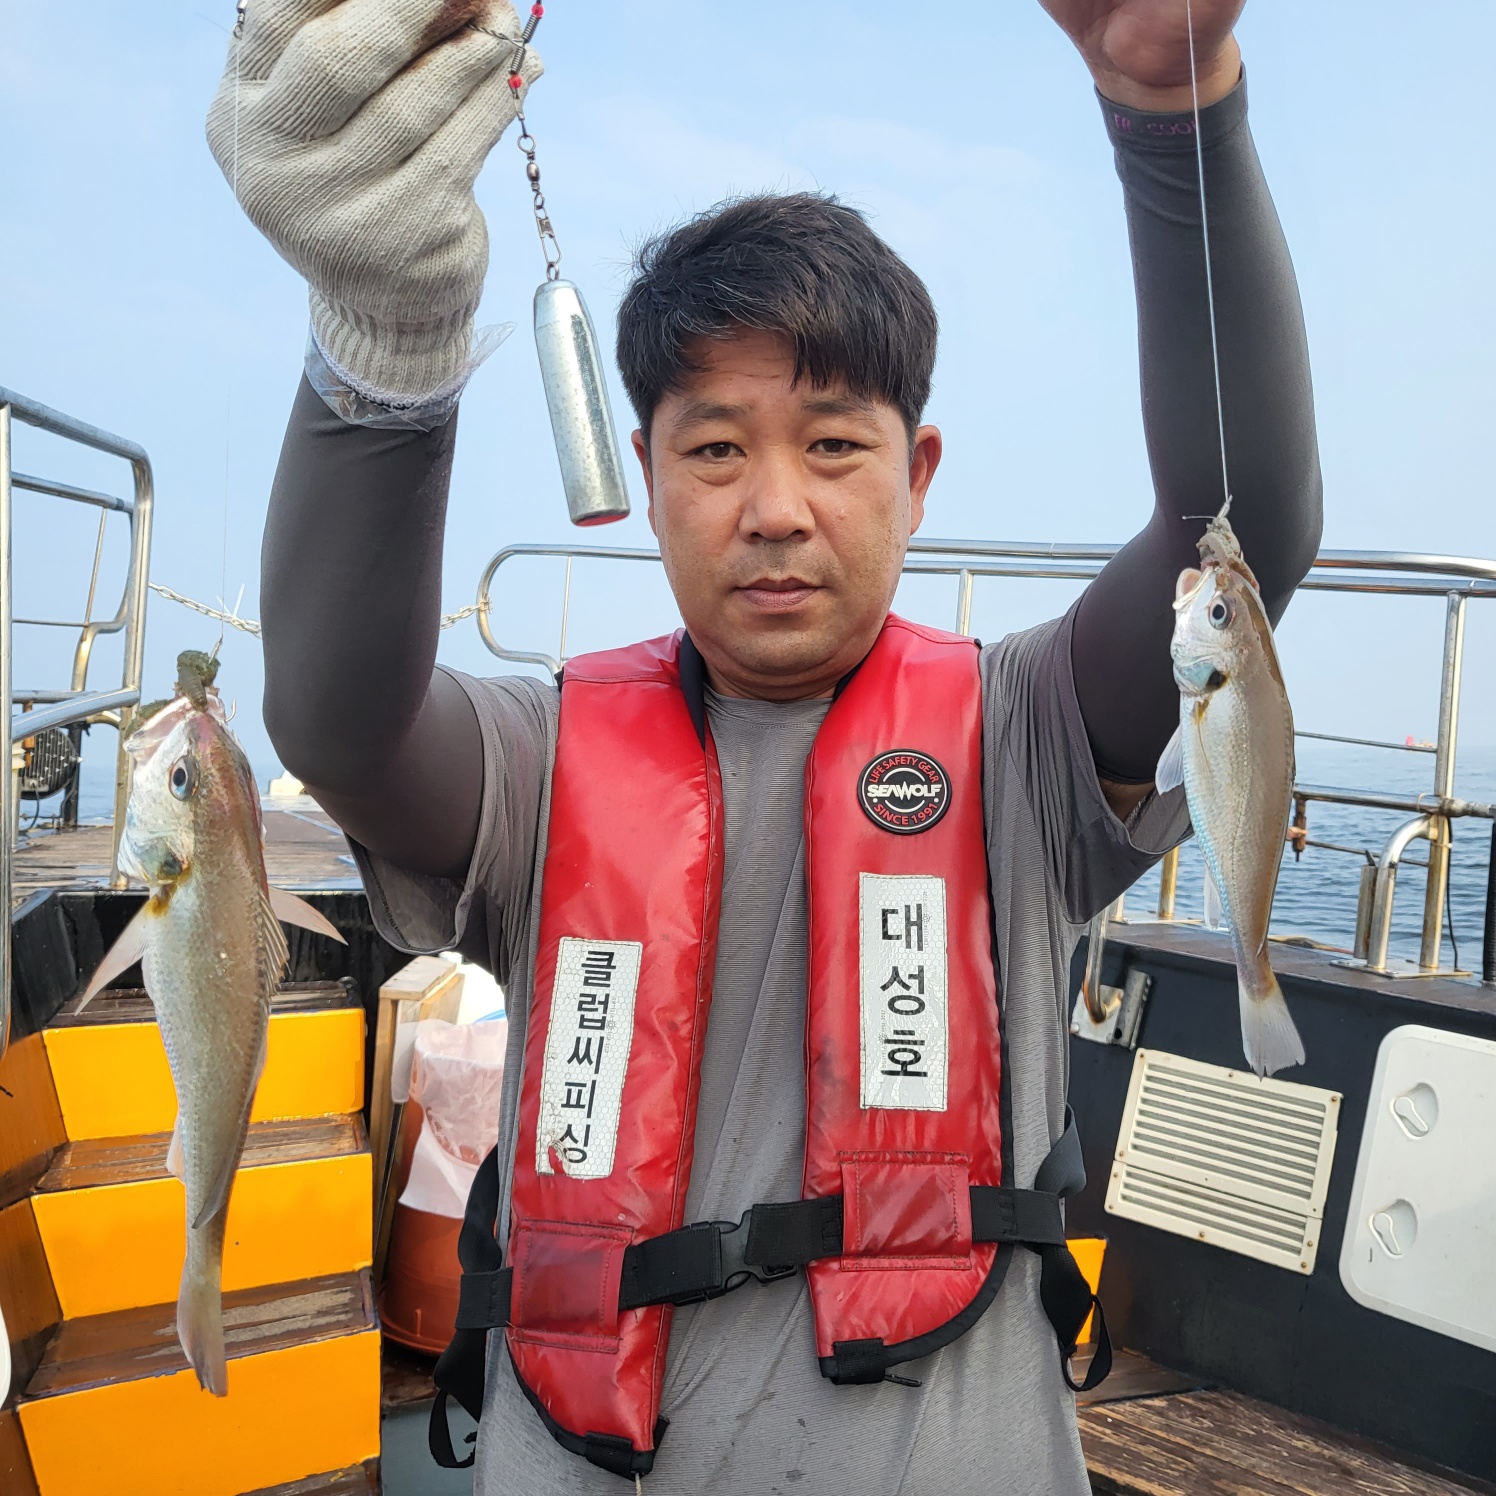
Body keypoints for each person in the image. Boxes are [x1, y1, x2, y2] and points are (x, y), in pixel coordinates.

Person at [209, 0, 1321, 1490]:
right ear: (647, 472)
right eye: (717, 448)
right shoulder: (537, 760)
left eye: (836, 444)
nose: (777, 509)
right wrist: (383, 343)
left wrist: (1176, 107)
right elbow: (337, 723)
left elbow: (1248, 538)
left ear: (920, 474)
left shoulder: (1029, 734)